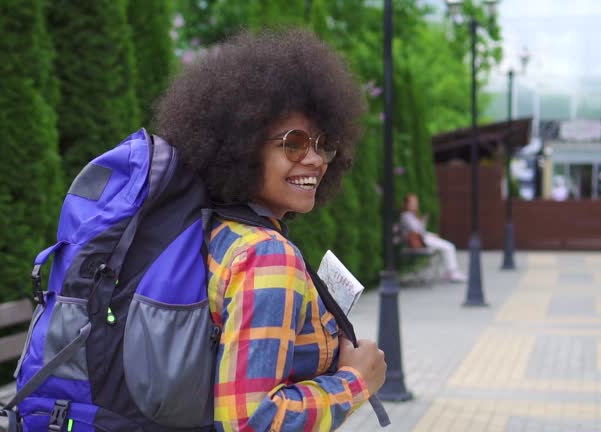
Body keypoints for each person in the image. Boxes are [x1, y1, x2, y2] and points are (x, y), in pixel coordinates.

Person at [155, 30, 387, 431]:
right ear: (241, 147)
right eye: (293, 144)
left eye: (323, 143)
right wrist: (356, 382)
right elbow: (251, 421)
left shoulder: (216, 232)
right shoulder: (265, 256)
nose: (315, 160)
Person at [400, 194, 466, 283]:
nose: (415, 205)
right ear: (406, 204)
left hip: (424, 239)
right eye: (412, 203)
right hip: (421, 241)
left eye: (416, 202)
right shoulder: (406, 216)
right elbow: (416, 231)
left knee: (447, 247)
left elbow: (419, 230)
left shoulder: (412, 215)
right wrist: (423, 223)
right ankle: (452, 272)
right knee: (449, 247)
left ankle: (451, 271)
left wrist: (428, 231)